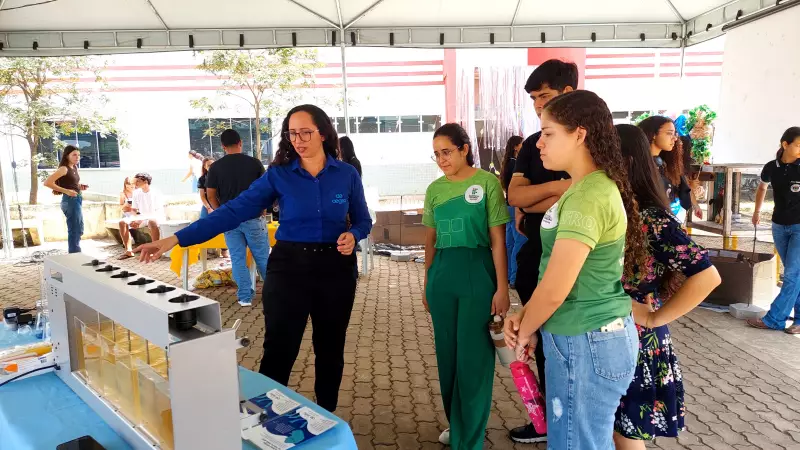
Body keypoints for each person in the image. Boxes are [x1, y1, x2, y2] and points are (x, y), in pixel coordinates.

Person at [133, 104, 371, 413]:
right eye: (292, 133)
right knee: (279, 349)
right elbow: (233, 210)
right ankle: (267, 418)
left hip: (335, 269)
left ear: (323, 134)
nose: (298, 140)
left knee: (330, 348)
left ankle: (327, 416)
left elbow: (363, 219)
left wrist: (354, 234)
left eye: (305, 132)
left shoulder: (346, 174)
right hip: (289, 269)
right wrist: (175, 239)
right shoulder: (279, 175)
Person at [503, 90, 644, 449]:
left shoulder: (588, 195)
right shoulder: (583, 188)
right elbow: (556, 274)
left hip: (587, 340)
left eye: (548, 133)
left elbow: (556, 287)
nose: (539, 143)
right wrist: (527, 318)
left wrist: (524, 329)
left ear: (579, 134)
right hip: (585, 336)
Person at [614, 124, 721, 449]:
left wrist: (653, 318)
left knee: (625, 432)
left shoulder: (649, 218)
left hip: (635, 337)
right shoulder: (615, 208)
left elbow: (707, 275)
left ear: (625, 162)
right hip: (608, 333)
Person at [423, 123, 510, 449]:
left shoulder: (487, 183)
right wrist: (427, 281)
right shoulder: (435, 190)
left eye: (447, 152)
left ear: (464, 149)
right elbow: (430, 240)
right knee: (447, 357)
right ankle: (457, 423)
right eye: (436, 154)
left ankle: (469, 439)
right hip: (442, 274)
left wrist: (502, 288)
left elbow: (498, 241)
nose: (442, 159)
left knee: (473, 359)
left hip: (478, 270)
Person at [505, 59, 577, 444]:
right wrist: (562, 188)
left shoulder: (595, 143)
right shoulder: (534, 143)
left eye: (544, 96)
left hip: (575, 263)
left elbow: (591, 191)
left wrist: (537, 200)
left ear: (569, 94)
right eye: (533, 98)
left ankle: (566, 424)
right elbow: (515, 196)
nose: (537, 105)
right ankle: (547, 420)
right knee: (544, 346)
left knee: (567, 345)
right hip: (535, 255)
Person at [204, 129, 270, 306]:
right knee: (263, 259)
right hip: (254, 217)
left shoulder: (215, 167)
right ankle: (274, 295)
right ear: (240, 142)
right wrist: (263, 209)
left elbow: (210, 195)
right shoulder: (254, 163)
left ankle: (245, 297)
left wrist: (221, 212)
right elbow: (265, 189)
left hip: (230, 220)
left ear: (223, 146)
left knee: (238, 259)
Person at [748, 126, 800, 334]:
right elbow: (762, 187)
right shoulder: (772, 167)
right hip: (779, 225)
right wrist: (756, 211)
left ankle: (774, 319)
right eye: (798, 145)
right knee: (795, 275)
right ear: (785, 144)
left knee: (792, 274)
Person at [638, 116, 702, 220]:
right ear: (653, 134)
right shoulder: (639, 166)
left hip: (670, 218)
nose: (675, 138)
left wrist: (695, 205)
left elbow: (684, 186)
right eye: (669, 133)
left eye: (674, 134)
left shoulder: (666, 163)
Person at [44, 145, 87, 253]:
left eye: (78, 155)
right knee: (74, 229)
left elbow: (71, 183)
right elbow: (47, 182)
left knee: (79, 228)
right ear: (67, 156)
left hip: (77, 199)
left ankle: (75, 252)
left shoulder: (74, 167)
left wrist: (79, 186)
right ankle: (74, 254)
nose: (77, 157)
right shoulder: (64, 169)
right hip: (69, 200)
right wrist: (66, 191)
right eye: (74, 155)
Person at [118, 173, 164, 259]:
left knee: (152, 222)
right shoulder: (136, 193)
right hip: (141, 217)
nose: (135, 183)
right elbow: (134, 209)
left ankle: (156, 250)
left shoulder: (155, 193)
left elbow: (155, 211)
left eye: (138, 181)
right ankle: (129, 251)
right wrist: (135, 219)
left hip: (155, 216)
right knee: (122, 222)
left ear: (145, 181)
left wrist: (139, 220)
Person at [501, 135, 525, 288]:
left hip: (508, 206)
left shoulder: (507, 164)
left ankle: (509, 276)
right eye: (522, 144)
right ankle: (515, 277)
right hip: (515, 206)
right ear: (516, 146)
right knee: (519, 241)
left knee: (510, 242)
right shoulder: (516, 164)